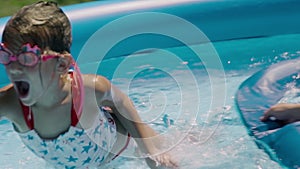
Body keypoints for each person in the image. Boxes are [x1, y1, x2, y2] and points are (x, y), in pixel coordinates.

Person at [0, 1, 177, 168]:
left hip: (128, 148)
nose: (13, 68)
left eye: (26, 58)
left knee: (176, 155)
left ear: (61, 65)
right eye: (6, 55)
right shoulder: (10, 103)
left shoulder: (88, 90)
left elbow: (120, 102)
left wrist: (149, 150)